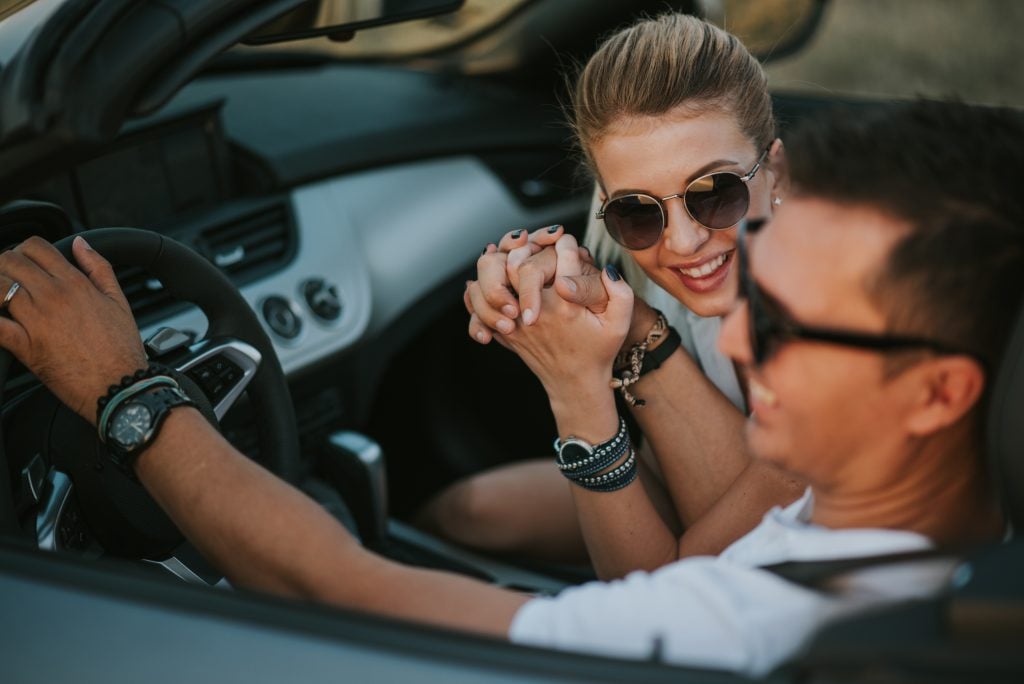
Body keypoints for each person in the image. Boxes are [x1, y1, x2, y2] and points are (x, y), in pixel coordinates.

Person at [1, 100, 1017, 676]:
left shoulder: (764, 629)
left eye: (790, 324)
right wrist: (614, 357)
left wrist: (122, 388)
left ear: (938, 394)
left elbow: (335, 591)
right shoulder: (927, 526)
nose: (738, 335)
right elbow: (666, 572)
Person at [416, 13, 805, 574]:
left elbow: (666, 590)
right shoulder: (671, 275)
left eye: (717, 193)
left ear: (778, 173)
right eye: (637, 211)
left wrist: (583, 385)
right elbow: (677, 488)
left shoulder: (839, 328)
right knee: (470, 512)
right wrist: (552, 286)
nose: (684, 242)